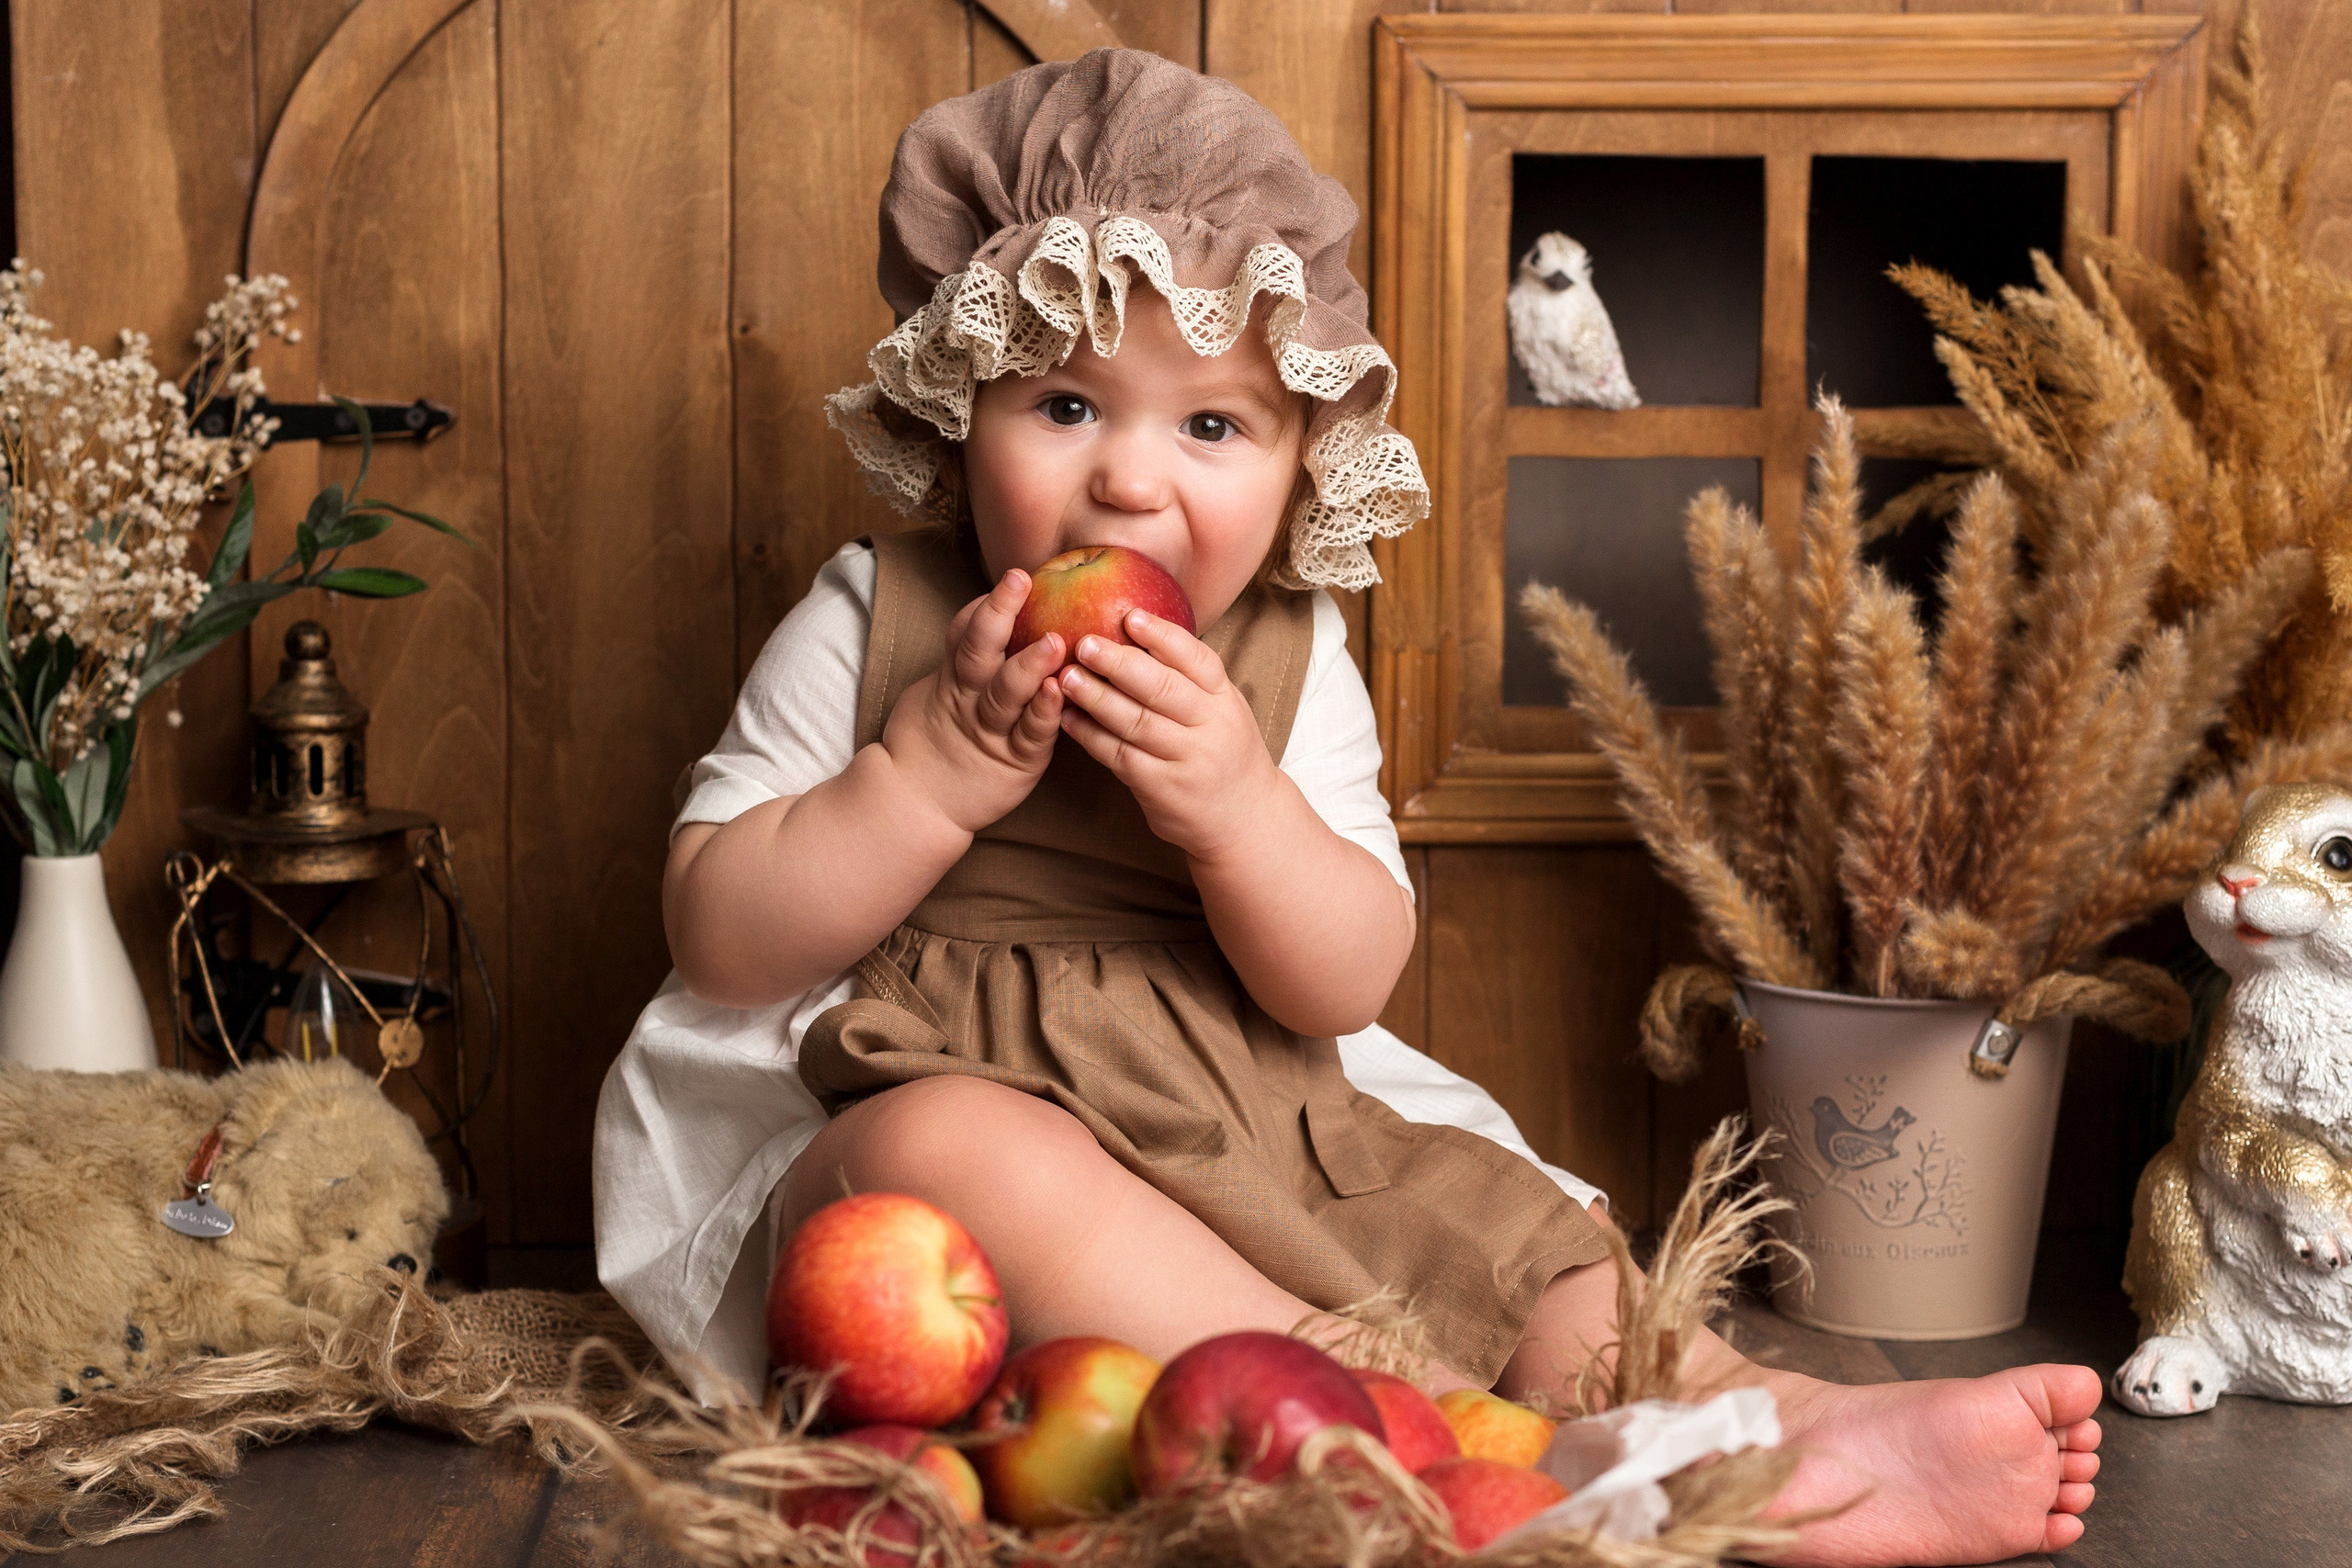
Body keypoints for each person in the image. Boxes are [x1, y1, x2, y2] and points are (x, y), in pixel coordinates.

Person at [594, 50, 2102, 1566]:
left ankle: (1761, 1419)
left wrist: (1236, 810)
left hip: (1250, 1104)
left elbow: (1346, 980)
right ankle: (1429, 1431)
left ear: (1301, 457)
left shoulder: (1293, 658)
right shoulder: (877, 617)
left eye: (1210, 427)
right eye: (1065, 404)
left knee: (1486, 1226)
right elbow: (723, 938)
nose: (1129, 482)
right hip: (932, 1078)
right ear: (959, 408)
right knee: (954, 1153)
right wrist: (921, 776)